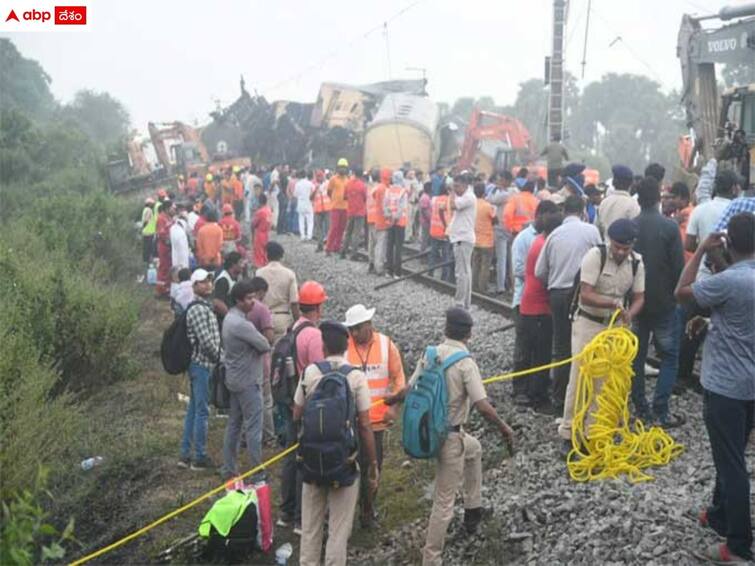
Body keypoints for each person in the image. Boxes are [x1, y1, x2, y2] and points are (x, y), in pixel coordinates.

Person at [384, 308, 515, 566]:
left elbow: (409, 388)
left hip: (432, 432)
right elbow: (482, 406)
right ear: (469, 333)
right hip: (451, 439)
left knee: (475, 449)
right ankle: (431, 559)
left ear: (446, 329)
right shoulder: (466, 363)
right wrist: (505, 428)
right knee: (444, 502)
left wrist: (393, 400)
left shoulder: (431, 354)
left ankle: (473, 511)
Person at [674, 213, 755, 563]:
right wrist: (709, 322)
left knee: (731, 462)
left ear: (730, 244)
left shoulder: (730, 282)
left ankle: (737, 545)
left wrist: (701, 250)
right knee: (732, 452)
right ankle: (719, 514)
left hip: (725, 386)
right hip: (751, 386)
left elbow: (681, 292)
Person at [294, 321, 379, 566]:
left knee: (310, 529)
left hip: (311, 462)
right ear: (346, 346)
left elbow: (296, 414)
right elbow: (365, 425)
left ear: (323, 345)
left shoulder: (310, 373)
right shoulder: (356, 377)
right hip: (344, 463)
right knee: (338, 533)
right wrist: (372, 463)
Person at [558, 219, 646, 446]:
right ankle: (568, 431)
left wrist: (630, 313)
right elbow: (585, 294)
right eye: (617, 246)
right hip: (588, 322)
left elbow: (639, 297)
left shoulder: (637, 263)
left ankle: (593, 431)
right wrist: (613, 303)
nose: (620, 252)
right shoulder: (595, 256)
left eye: (625, 248)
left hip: (614, 326)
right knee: (579, 376)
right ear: (610, 241)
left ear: (632, 245)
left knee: (605, 379)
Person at [535, 195, 601, 412]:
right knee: (583, 345)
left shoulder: (554, 235)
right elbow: (601, 259)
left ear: (564, 212)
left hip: (557, 294)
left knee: (561, 346)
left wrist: (555, 281)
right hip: (582, 294)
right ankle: (583, 397)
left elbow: (539, 271)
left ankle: (560, 399)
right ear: (583, 210)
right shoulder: (591, 231)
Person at [677, 170, 742, 390]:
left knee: (691, 329)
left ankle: (683, 374)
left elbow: (689, 245)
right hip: (735, 280)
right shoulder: (738, 211)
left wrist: (704, 251)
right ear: (734, 188)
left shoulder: (700, 210)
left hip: (704, 279)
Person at [343, 304, 405, 528]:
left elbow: (399, 379)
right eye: (350, 329)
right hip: (349, 423)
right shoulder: (344, 347)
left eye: (356, 329)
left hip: (377, 423)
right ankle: (347, 512)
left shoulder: (387, 345)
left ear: (368, 325)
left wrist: (394, 407)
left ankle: (368, 513)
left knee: (372, 467)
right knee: (349, 468)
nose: (353, 334)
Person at [631, 176, 685, 427]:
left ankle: (640, 407)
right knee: (669, 356)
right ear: (658, 198)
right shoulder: (670, 227)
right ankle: (661, 411)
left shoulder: (631, 226)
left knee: (637, 357)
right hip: (664, 303)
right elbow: (678, 269)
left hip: (637, 304)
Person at [277, 280, 328, 535]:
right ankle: (301, 518)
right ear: (317, 308)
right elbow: (320, 376)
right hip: (305, 404)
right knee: (304, 458)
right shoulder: (314, 336)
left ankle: (285, 512)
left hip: (288, 400)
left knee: (289, 454)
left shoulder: (294, 328)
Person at [220, 279, 272, 482]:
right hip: (249, 381)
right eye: (249, 298)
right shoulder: (243, 324)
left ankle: (229, 468)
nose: (253, 302)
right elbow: (265, 344)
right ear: (239, 301)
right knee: (253, 427)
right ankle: (257, 472)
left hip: (234, 378)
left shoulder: (229, 319)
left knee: (234, 424)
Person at [514, 209, 563, 410]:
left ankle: (525, 391)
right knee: (541, 354)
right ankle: (538, 397)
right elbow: (544, 274)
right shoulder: (545, 245)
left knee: (529, 350)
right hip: (539, 307)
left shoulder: (539, 241)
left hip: (530, 304)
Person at [257, 241, 301, 443]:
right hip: (283, 320)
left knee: (266, 367)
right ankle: (281, 405)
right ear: (282, 255)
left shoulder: (259, 273)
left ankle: (268, 405)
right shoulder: (289, 274)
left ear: (267, 255)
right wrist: (298, 323)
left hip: (263, 320)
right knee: (282, 367)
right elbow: (294, 303)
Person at [179, 269, 222, 470]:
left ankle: (185, 455)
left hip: (200, 365)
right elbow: (205, 341)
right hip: (201, 365)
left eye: (209, 281)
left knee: (194, 410)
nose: (208, 284)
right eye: (203, 282)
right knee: (202, 412)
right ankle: (200, 457)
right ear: (195, 286)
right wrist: (220, 358)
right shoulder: (197, 309)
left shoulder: (203, 306)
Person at [448, 174, 477, 309]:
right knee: (466, 271)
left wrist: (452, 193)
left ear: (465, 185)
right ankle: (465, 302)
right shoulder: (466, 196)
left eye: (457, 186)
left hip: (462, 239)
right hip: (462, 238)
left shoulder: (468, 197)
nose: (455, 189)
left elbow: (453, 205)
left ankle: (460, 302)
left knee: (461, 273)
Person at [487, 172, 515, 293]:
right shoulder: (515, 191)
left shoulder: (504, 194)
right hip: (513, 229)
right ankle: (512, 286)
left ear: (505, 181)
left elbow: (489, 199)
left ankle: (500, 287)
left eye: (500, 179)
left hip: (501, 229)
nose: (497, 182)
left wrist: (494, 189)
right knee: (512, 260)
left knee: (501, 259)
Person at [596, 165, 640, 237]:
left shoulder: (604, 203)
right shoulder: (633, 205)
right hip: (624, 246)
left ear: (613, 183)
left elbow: (599, 228)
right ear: (631, 184)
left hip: (606, 246)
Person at [384, 170, 410, 278]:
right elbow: (401, 208)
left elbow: (385, 206)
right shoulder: (403, 192)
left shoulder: (388, 190)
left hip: (389, 222)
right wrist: (395, 219)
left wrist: (389, 217)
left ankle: (388, 271)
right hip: (399, 222)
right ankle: (397, 272)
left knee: (389, 246)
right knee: (398, 247)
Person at [471, 182, 496, 293]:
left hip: (474, 239)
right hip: (487, 241)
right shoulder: (487, 205)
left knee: (475, 264)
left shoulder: (471, 205)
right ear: (484, 192)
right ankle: (483, 288)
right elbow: (495, 220)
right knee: (485, 266)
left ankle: (473, 286)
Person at [341, 168, 368, 259]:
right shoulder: (363, 186)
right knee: (356, 234)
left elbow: (344, 197)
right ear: (361, 175)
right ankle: (353, 254)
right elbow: (365, 198)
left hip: (350, 211)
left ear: (354, 173)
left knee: (348, 232)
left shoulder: (348, 183)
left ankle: (343, 252)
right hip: (360, 212)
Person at [325, 158, 350, 254]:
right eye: (341, 167)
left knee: (341, 228)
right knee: (334, 228)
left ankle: (337, 247)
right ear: (338, 168)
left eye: (344, 167)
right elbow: (329, 192)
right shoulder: (333, 179)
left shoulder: (348, 180)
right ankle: (328, 248)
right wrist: (334, 200)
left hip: (345, 208)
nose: (342, 169)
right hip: (335, 207)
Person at [370, 168, 391, 276]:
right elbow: (385, 206)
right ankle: (379, 268)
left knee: (375, 244)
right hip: (382, 220)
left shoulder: (377, 187)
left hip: (374, 218)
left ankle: (373, 265)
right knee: (380, 246)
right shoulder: (384, 189)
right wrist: (389, 217)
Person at [212, 251, 244, 321]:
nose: (243, 265)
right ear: (233, 264)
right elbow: (218, 303)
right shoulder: (223, 280)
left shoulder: (235, 278)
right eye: (240, 263)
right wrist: (231, 318)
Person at [155, 200, 175, 297]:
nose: (174, 210)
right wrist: (171, 243)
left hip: (169, 247)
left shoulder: (169, 218)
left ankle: (167, 288)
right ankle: (161, 290)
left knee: (168, 268)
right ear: (167, 209)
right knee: (164, 268)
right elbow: (162, 234)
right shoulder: (161, 218)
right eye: (172, 208)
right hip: (164, 247)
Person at [312, 171, 331, 252]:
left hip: (327, 208)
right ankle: (320, 245)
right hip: (318, 209)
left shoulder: (328, 183)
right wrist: (315, 190)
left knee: (328, 228)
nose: (319, 178)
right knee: (319, 228)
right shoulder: (314, 185)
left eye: (320, 176)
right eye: (318, 177)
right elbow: (311, 197)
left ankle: (329, 246)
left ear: (323, 176)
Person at [252, 194, 273, 268]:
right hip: (267, 233)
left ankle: (259, 266)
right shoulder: (269, 210)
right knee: (265, 251)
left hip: (260, 233)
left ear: (259, 201)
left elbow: (254, 224)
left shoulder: (260, 212)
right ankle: (265, 264)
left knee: (258, 251)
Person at [294, 170, 315, 241]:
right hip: (308, 203)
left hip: (300, 203)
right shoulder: (310, 183)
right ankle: (309, 236)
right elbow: (314, 192)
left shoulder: (297, 184)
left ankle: (302, 236)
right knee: (310, 221)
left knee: (301, 220)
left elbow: (295, 195)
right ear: (306, 175)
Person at [169, 205, 191, 270]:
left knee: (175, 257)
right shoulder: (181, 232)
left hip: (174, 231)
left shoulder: (173, 227)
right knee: (183, 258)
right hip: (181, 235)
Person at [141, 197, 157, 267]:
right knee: (149, 248)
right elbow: (146, 220)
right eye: (152, 204)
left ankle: (146, 261)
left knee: (146, 247)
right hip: (149, 232)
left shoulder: (145, 209)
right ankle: (148, 262)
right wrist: (145, 227)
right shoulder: (149, 210)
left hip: (146, 231)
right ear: (149, 204)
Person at [419, 181, 433, 253]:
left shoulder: (427, 196)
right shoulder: (425, 197)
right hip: (426, 221)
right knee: (425, 239)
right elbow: (425, 211)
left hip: (427, 221)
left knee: (427, 238)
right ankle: (422, 253)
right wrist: (430, 219)